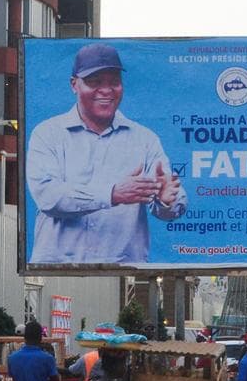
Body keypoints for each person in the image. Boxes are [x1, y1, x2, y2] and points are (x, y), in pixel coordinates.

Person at [26, 43, 187, 264]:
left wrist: (166, 201)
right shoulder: (48, 134)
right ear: (74, 85)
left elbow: (171, 205)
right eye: (94, 82)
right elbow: (49, 197)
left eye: (114, 82)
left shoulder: (145, 139)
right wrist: (112, 194)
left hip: (122, 272)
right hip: (56, 270)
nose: (106, 90)